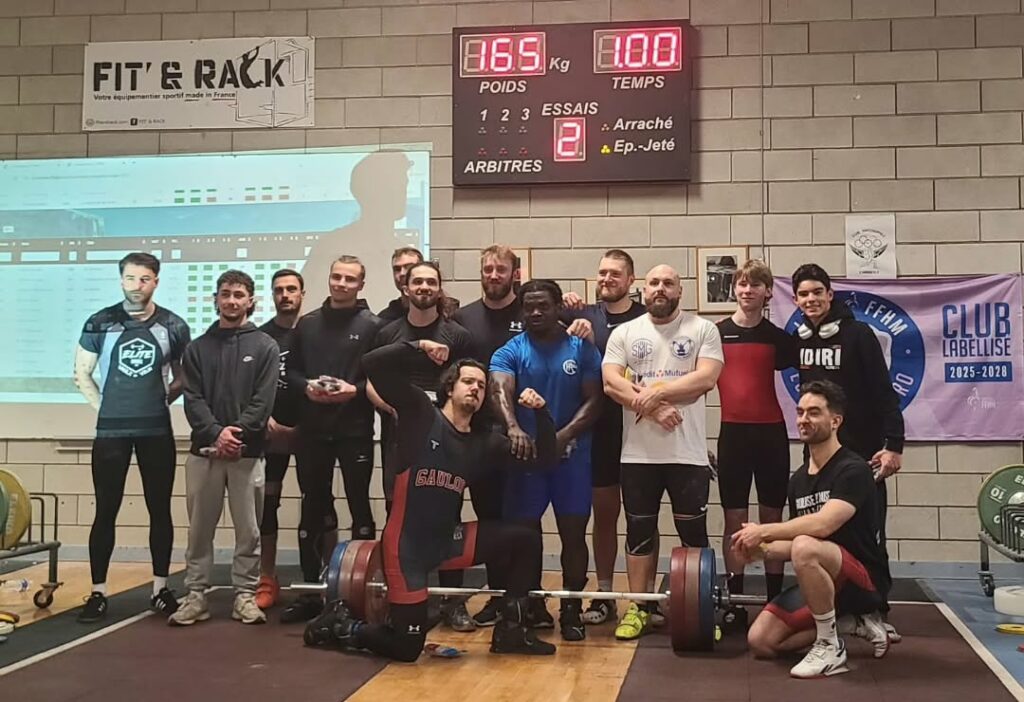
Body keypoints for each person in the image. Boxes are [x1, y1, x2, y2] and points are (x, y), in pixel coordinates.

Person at [303, 339, 558, 659]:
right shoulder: (420, 414)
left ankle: (511, 631)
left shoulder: (485, 443)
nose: (476, 389)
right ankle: (344, 627)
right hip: (406, 550)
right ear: (449, 387)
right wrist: (419, 345)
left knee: (525, 539)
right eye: (468, 381)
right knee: (407, 647)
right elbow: (372, 363)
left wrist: (542, 413)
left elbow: (544, 461)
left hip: (448, 542)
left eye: (481, 385)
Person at [734, 380, 891, 679]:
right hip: (821, 581)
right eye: (800, 412)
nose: (804, 419)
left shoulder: (853, 469)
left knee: (806, 544)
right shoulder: (798, 481)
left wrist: (764, 531)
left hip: (861, 582)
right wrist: (759, 551)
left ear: (835, 421)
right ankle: (848, 624)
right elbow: (794, 543)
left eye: (814, 412)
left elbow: (823, 525)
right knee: (761, 641)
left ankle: (830, 647)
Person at [602, 264, 724, 641]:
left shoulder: (703, 329)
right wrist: (655, 408)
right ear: (643, 289)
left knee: (693, 534)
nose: (660, 288)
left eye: (668, 283)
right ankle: (641, 608)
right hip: (638, 456)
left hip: (687, 454)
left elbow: (705, 378)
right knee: (639, 532)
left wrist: (654, 393)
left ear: (679, 291)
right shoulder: (625, 332)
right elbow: (611, 383)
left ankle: (703, 611)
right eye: (654, 282)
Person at [73, 252, 191, 623]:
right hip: (111, 434)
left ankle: (160, 589)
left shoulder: (173, 324)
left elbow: (184, 377)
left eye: (144, 279)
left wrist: (160, 400)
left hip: (157, 431)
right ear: (120, 279)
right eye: (130, 278)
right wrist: (105, 408)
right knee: (105, 510)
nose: (136, 286)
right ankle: (98, 592)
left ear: (156, 281)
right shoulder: (100, 322)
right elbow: (81, 374)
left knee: (160, 509)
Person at [790, 263, 904, 638]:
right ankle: (836, 611)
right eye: (803, 294)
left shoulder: (859, 335)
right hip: (818, 457)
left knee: (868, 536)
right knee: (822, 535)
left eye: (816, 292)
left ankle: (875, 611)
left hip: (863, 456)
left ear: (829, 294)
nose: (811, 299)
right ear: (796, 300)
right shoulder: (801, 340)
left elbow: (885, 394)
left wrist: (893, 446)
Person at [491, 279, 603, 641]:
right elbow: (499, 389)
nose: (536, 312)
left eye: (543, 306)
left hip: (571, 459)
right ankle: (533, 606)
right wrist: (513, 428)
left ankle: (571, 609)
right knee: (525, 537)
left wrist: (563, 437)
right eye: (529, 307)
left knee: (573, 535)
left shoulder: (581, 349)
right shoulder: (510, 350)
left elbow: (595, 400)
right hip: (527, 461)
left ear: (558, 308)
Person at [366, 261, 476, 631]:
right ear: (405, 287)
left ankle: (453, 603)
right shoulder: (388, 332)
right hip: (400, 437)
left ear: (439, 288)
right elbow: (372, 379)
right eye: (418, 281)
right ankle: (404, 599)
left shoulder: (457, 335)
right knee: (398, 515)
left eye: (431, 282)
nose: (424, 287)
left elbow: (466, 383)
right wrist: (394, 407)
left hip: (445, 442)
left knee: (447, 516)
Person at [171, 270, 279, 626]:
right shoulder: (197, 348)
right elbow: (192, 399)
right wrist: (217, 434)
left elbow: (263, 401)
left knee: (249, 531)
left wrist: (237, 434)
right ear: (215, 299)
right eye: (226, 294)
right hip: (204, 455)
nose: (232, 301)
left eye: (239, 295)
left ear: (251, 301)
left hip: (247, 455)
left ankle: (245, 595)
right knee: (199, 530)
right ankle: (196, 595)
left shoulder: (265, 346)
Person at [283, 255, 383, 623]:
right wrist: (306, 387)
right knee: (313, 506)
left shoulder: (372, 326)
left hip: (354, 430)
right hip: (312, 431)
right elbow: (291, 371)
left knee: (360, 505)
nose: (341, 283)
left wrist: (354, 390)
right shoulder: (307, 324)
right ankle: (311, 592)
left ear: (361, 285)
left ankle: (364, 592)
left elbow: (380, 376)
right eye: (336, 276)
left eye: (349, 279)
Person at [560, 249, 645, 625]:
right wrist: (565, 307)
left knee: (641, 517)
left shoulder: (646, 318)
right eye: (602, 273)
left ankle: (644, 599)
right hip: (602, 429)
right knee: (605, 514)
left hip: (643, 427)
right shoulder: (582, 314)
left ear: (631, 280)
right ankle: (606, 594)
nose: (607, 279)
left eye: (615, 274)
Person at [715, 260, 798, 630]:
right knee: (734, 519)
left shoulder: (778, 338)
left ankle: (773, 600)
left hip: (771, 436)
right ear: (735, 289)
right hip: (733, 436)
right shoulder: (716, 334)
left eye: (755, 285)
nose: (747, 290)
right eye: (742, 284)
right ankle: (734, 600)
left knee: (771, 519)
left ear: (767, 292)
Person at [450, 244, 524, 626]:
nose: (493, 275)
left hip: (520, 435)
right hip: (475, 435)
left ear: (515, 274)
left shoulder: (531, 312)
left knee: (519, 520)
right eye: (488, 269)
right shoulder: (462, 319)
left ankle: (521, 600)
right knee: (486, 516)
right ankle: (494, 597)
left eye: (501, 269)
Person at [300, 151, 419, 316]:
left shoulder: (403, 251)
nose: (403, 194)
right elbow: (307, 306)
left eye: (403, 186)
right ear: (370, 192)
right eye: (395, 187)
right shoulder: (331, 246)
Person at [254, 268, 305, 610]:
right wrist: (265, 420)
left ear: (302, 293)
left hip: (308, 431)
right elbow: (250, 385)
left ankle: (319, 578)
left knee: (316, 502)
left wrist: (306, 425)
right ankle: (266, 577)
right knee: (267, 504)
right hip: (270, 432)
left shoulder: (312, 331)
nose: (285, 295)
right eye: (279, 290)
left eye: (291, 289)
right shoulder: (261, 337)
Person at [377, 246, 424, 322]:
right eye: (397, 269)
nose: (402, 273)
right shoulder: (384, 319)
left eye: (409, 267)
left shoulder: (442, 312)